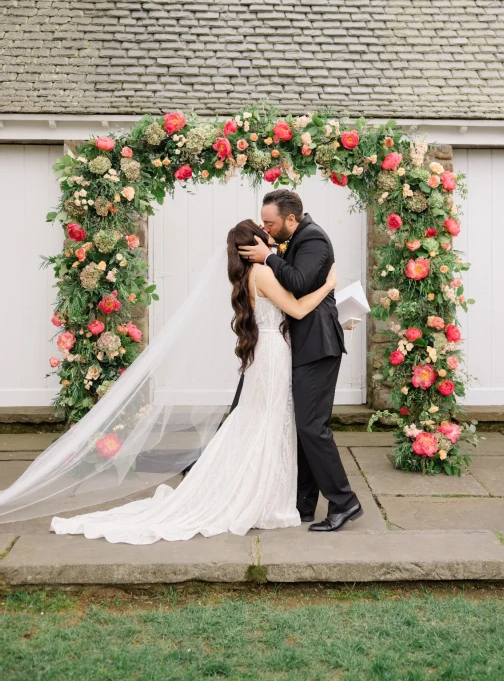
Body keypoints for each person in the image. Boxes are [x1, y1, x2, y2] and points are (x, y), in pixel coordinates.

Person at [48, 220, 340, 544]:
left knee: (263, 421)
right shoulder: (264, 273)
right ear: (252, 244)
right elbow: (297, 310)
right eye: (262, 231)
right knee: (270, 422)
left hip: (268, 353)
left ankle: (267, 492)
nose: (268, 235)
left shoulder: (248, 276)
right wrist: (329, 285)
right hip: (273, 355)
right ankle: (262, 497)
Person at [238, 190, 363, 533]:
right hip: (299, 344)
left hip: (317, 346)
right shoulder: (291, 238)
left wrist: (267, 257)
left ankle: (344, 501)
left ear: (291, 219)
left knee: (312, 426)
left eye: (269, 222)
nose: (265, 227)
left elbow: (297, 282)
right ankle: (303, 504)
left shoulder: (314, 239)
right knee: (301, 425)